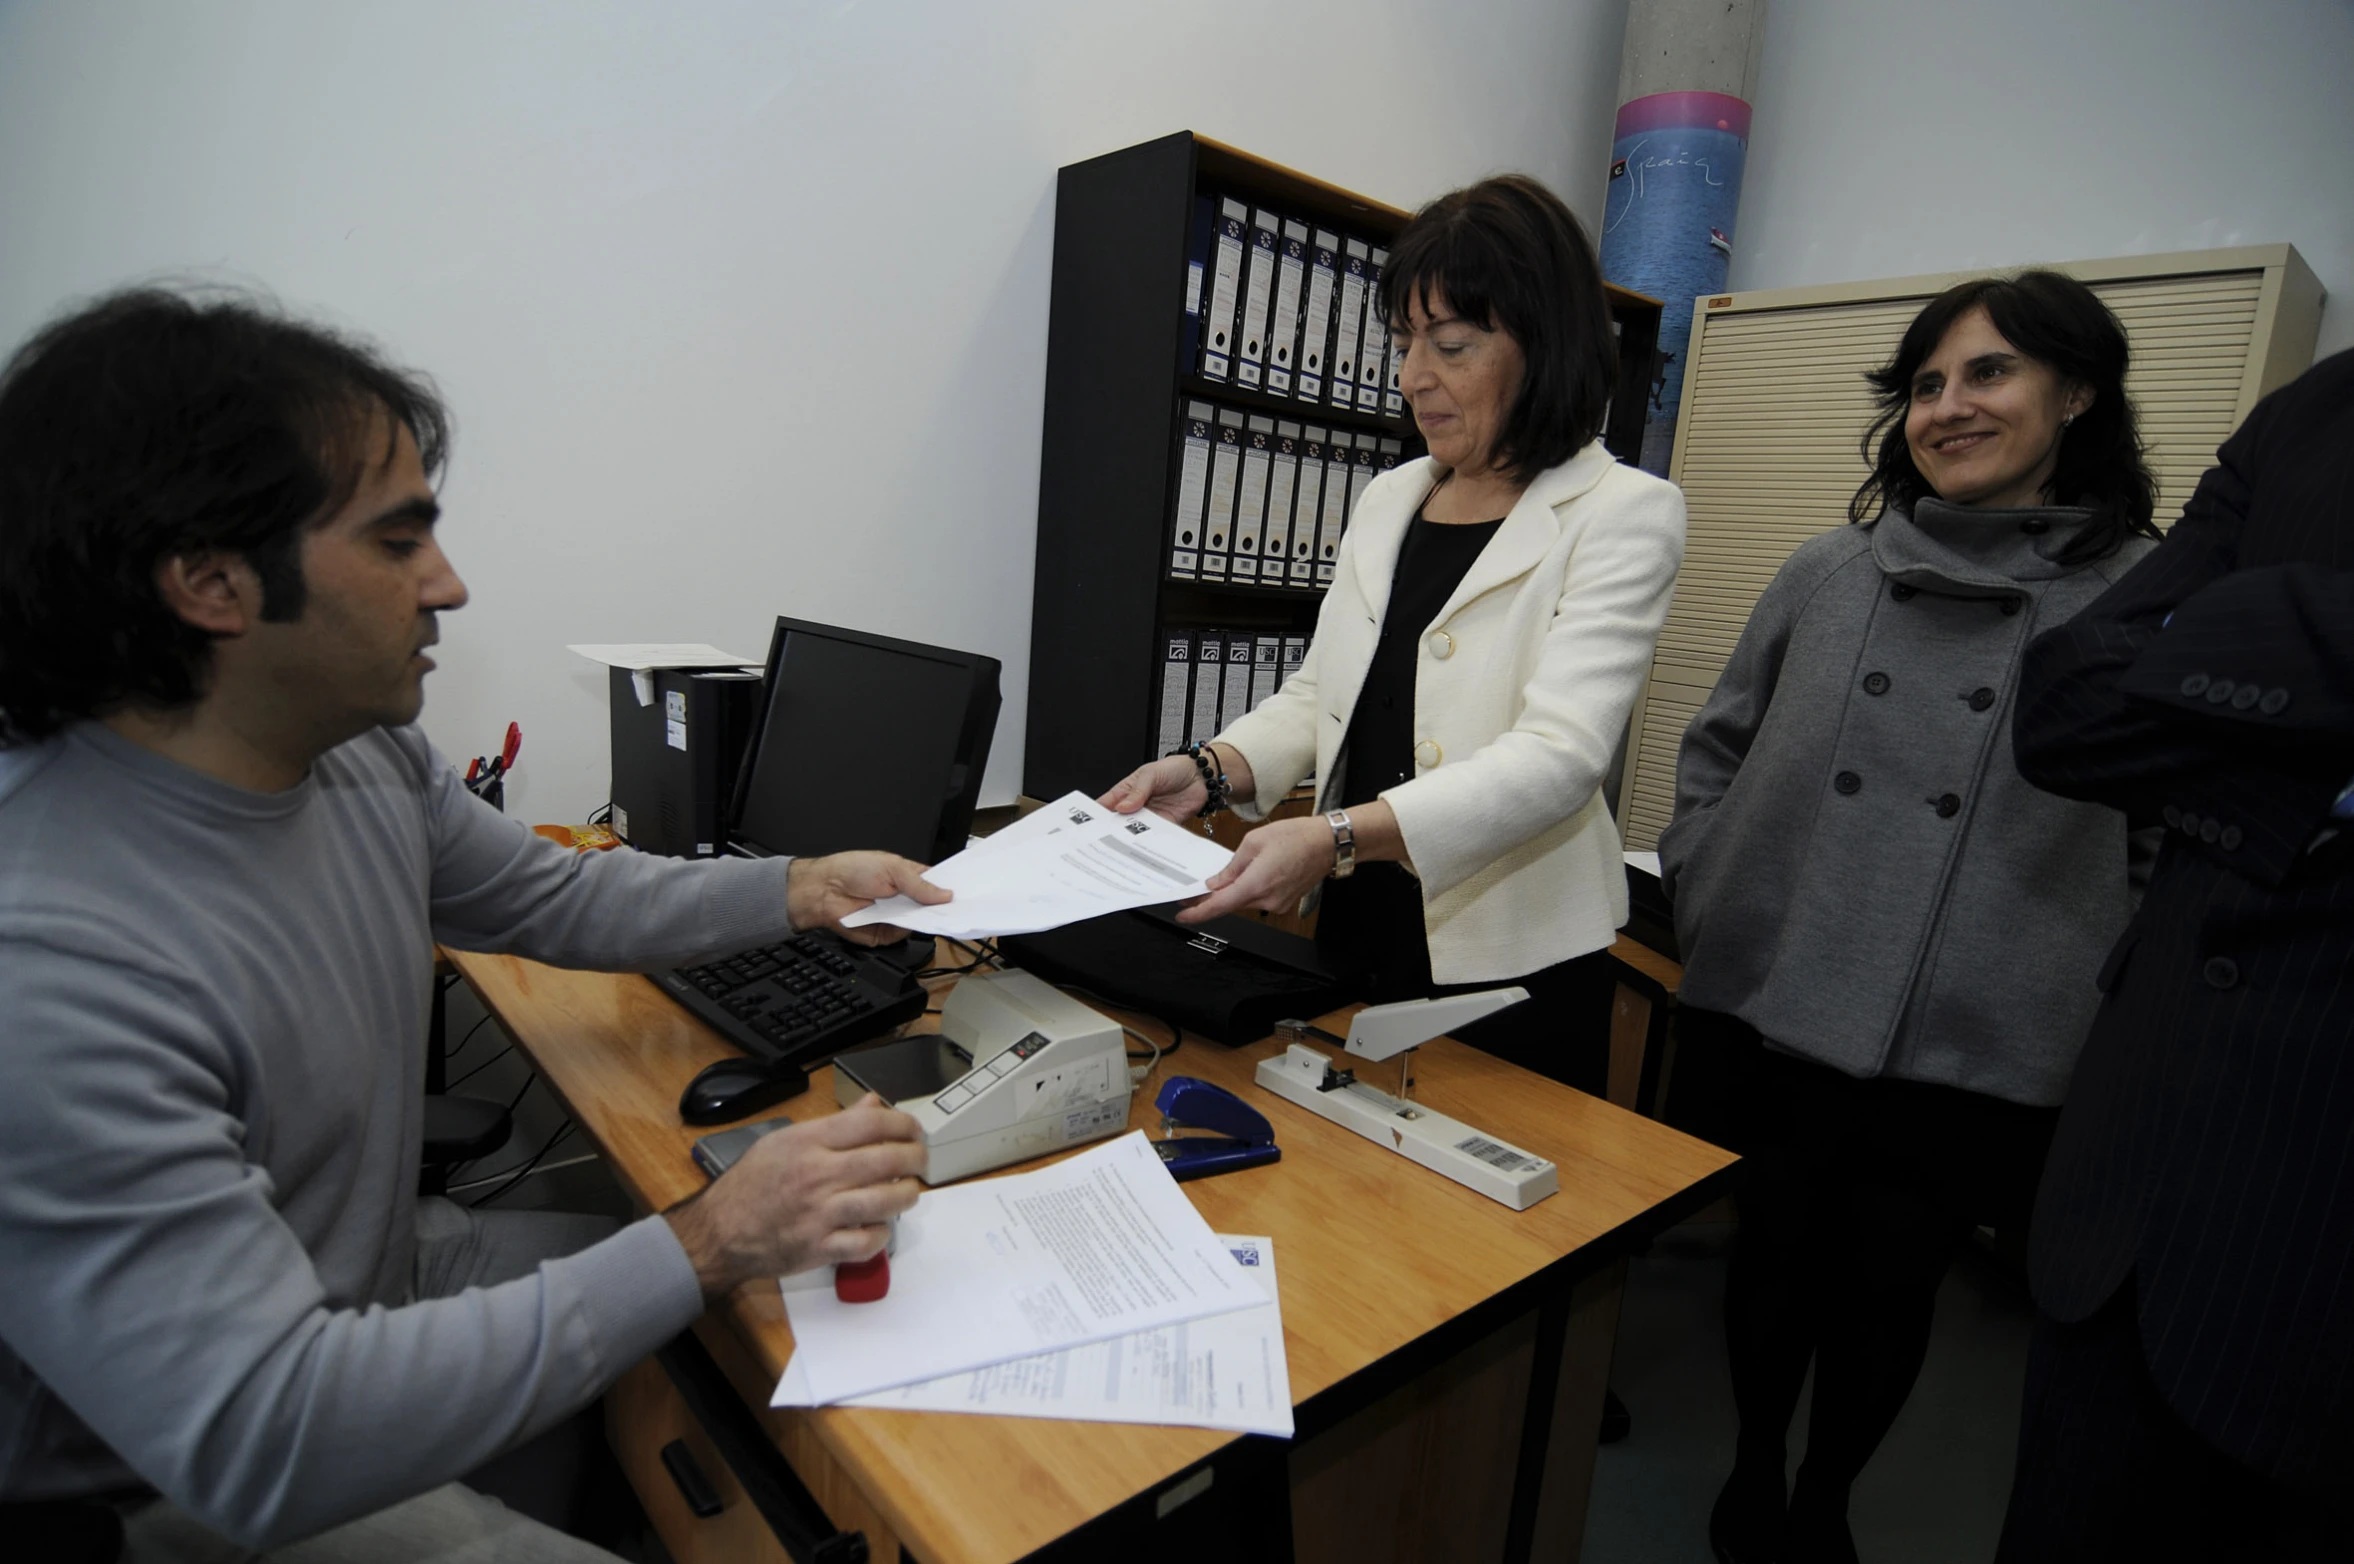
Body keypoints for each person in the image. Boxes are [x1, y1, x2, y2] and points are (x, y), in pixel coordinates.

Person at [0, 288, 950, 1561]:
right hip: (162, 1481)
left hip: (365, 1277)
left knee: (711, 1295)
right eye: (399, 543)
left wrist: (796, 885)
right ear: (211, 582)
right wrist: (712, 1235)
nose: (447, 584)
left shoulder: (358, 755)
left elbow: (557, 894)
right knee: (698, 1263)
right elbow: (269, 1433)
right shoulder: (52, 960)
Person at [1657, 271, 2164, 1564]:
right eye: (1927, 384)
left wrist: (2096, 966)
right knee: (1772, 1253)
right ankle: (1752, 1462)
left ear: (2076, 393)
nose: (1948, 407)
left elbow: (2166, 824)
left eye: (1987, 373)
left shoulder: (2138, 602)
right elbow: (1714, 742)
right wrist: (1710, 876)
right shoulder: (1828, 569)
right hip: (1780, 990)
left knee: (1893, 1278)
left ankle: (1826, 1492)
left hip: (1980, 1019)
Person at [1102, 174, 1686, 1093]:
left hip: (1510, 961)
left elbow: (1559, 756)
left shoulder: (1624, 511)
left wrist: (1332, 836)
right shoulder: (1392, 496)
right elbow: (1319, 696)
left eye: (1450, 344)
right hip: (1360, 921)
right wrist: (1211, 770)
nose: (1415, 375)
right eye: (1406, 342)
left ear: (1547, 344)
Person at [1994, 348, 2354, 1560]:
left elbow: (2134, 678)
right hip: (2134, 1196)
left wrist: (2235, 635)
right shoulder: (2318, 405)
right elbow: (2061, 710)